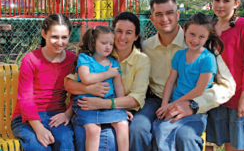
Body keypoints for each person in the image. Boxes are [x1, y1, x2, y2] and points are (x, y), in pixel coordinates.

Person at [129, 0, 236, 151]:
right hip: (157, 99)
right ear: (152, 19)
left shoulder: (200, 46)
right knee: (137, 128)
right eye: (159, 14)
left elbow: (227, 86)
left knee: (186, 135)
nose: (164, 18)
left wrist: (194, 105)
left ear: (177, 15)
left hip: (190, 100)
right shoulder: (145, 48)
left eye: (169, 13)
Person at [64, 12, 151, 151]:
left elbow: (130, 93)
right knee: (88, 133)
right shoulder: (90, 57)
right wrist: (91, 88)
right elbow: (70, 83)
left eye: (128, 33)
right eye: (119, 31)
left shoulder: (133, 60)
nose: (122, 37)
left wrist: (117, 106)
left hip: (111, 106)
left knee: (119, 129)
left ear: (135, 36)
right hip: (88, 106)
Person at [153, 12, 224, 151]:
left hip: (194, 108)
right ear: (184, 31)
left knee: (186, 136)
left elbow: (199, 90)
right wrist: (164, 105)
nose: (195, 40)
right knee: (161, 131)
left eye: (201, 36)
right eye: (192, 34)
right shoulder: (179, 55)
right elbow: (170, 81)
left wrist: (172, 104)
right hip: (175, 105)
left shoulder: (207, 59)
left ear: (207, 37)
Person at [205, 0, 244, 151]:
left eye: (226, 1)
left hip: (241, 97)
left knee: (238, 147)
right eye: (217, 0)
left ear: (236, 3)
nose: (220, 5)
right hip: (218, 96)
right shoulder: (210, 29)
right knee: (222, 143)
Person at [11, 13, 76, 151]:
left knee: (66, 143)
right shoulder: (30, 59)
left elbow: (77, 93)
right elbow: (25, 98)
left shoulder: (73, 60)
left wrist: (67, 114)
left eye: (64, 37)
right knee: (38, 146)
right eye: (54, 37)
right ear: (44, 34)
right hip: (25, 118)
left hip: (57, 115)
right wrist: (39, 128)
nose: (59, 42)